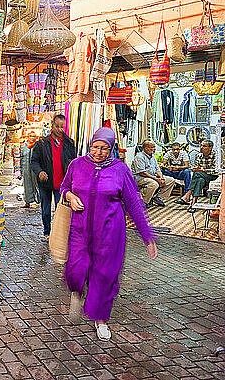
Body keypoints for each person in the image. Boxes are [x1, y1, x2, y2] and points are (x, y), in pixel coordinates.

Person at [61, 127, 158, 341]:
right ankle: (76, 292)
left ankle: (101, 319)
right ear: (90, 144)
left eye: (104, 148)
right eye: (95, 147)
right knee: (76, 268)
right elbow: (64, 187)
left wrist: (147, 236)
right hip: (81, 229)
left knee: (105, 275)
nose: (98, 152)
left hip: (110, 233)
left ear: (111, 148)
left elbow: (134, 204)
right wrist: (69, 196)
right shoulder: (77, 165)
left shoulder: (120, 169)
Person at [30, 114, 76, 241]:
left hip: (62, 183)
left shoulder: (69, 143)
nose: (60, 130)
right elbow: (34, 161)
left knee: (60, 210)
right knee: (45, 210)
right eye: (57, 126)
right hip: (45, 183)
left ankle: (58, 234)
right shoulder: (42, 143)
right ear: (52, 125)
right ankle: (47, 233)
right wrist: (39, 172)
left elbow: (74, 163)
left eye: (62, 127)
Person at [176, 140, 218, 212]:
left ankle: (188, 194)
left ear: (210, 148)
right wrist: (195, 168)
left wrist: (203, 170)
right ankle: (193, 203)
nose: (201, 147)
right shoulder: (199, 155)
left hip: (213, 177)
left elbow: (216, 171)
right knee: (199, 180)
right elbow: (197, 166)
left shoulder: (216, 155)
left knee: (197, 174)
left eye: (204, 146)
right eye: (201, 145)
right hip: (202, 177)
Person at [131, 140, 175, 207]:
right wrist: (156, 179)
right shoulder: (139, 157)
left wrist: (161, 177)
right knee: (154, 184)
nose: (154, 149)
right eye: (152, 147)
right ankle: (144, 202)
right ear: (146, 148)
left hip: (152, 177)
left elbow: (157, 169)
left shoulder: (152, 156)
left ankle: (156, 197)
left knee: (171, 180)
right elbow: (142, 173)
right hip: (140, 178)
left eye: (154, 147)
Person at [20, 131, 39, 208]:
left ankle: (36, 201)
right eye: (30, 136)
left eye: (33, 136)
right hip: (26, 168)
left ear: (36, 137)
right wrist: (19, 170)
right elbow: (21, 158)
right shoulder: (24, 146)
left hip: (35, 169)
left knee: (36, 184)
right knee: (26, 184)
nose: (32, 138)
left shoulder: (38, 146)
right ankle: (28, 201)